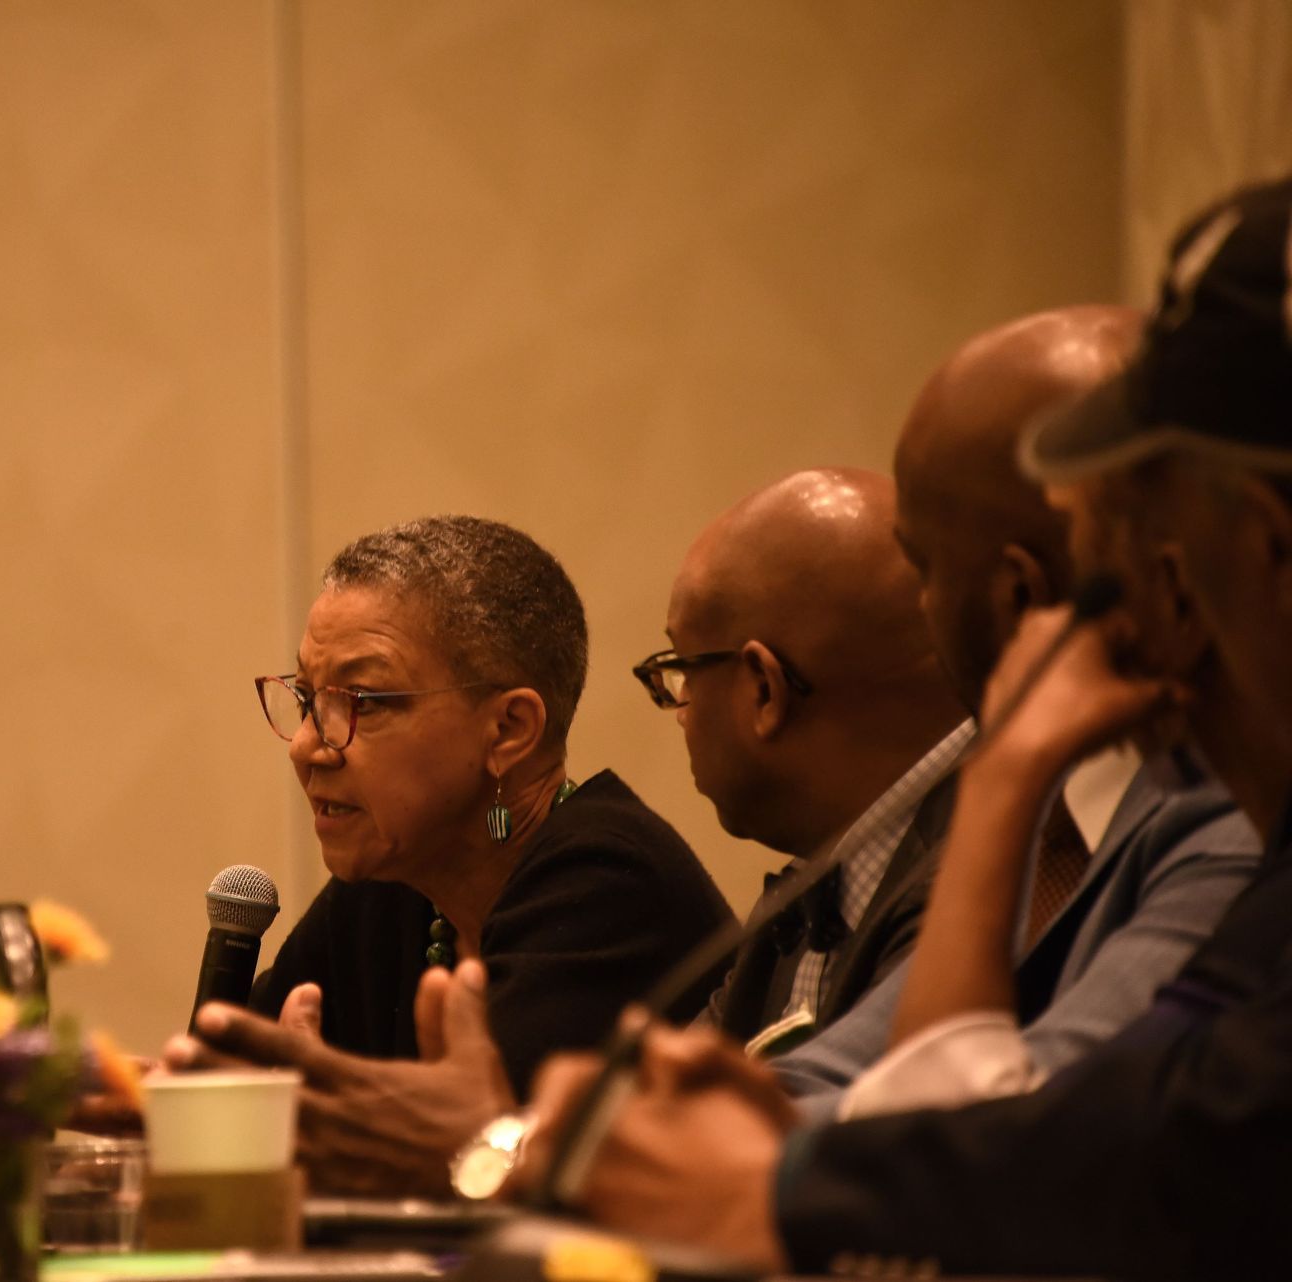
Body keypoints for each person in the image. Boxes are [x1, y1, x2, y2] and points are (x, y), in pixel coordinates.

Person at [518, 174, 1292, 1279]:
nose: (1143, 605)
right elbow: (1008, 1131)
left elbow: (1109, 1153)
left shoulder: (1214, 824)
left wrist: (773, 1175)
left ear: (1262, 549)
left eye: (1148, 549)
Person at [767, 308, 1257, 1114]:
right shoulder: (1052, 812)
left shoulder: (1232, 803)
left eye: (924, 569)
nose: (921, 610)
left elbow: (1002, 1136)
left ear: (1021, 595)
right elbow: (841, 1071)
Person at [242, 515, 731, 1100]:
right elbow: (240, 1074)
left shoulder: (609, 886)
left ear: (507, 729)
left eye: (363, 703)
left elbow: (480, 1163)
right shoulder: (393, 878)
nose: (305, 747)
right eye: (306, 699)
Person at [656, 469, 970, 1052]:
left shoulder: (984, 872)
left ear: (763, 691)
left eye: (682, 669)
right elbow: (654, 1100)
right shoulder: (823, 878)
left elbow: (842, 1125)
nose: (679, 708)